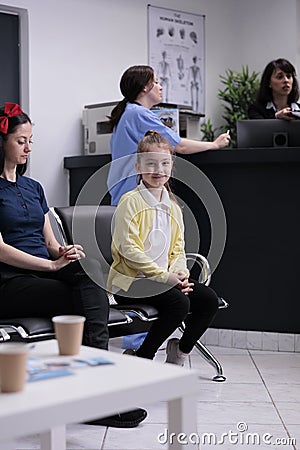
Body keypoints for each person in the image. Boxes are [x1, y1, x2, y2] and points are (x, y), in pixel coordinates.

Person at [0, 102, 146, 428]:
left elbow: (50, 244)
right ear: (2, 142)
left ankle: (93, 393)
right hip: (9, 282)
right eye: (21, 140)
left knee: (88, 266)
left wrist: (63, 252)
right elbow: (2, 251)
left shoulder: (33, 187)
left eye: (31, 140)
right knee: (82, 302)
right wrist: (51, 267)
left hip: (41, 274)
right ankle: (97, 395)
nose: (28, 147)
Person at [107, 130, 219, 364]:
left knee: (208, 299)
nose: (158, 170)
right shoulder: (130, 202)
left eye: (165, 163)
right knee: (179, 302)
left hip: (165, 280)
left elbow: (178, 249)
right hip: (131, 283)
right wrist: (164, 277)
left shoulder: (173, 207)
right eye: (151, 164)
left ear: (171, 166)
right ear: (138, 167)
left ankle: (180, 351)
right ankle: (143, 358)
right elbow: (129, 250)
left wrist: (180, 273)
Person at [107, 65, 231, 206]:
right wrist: (215, 144)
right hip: (134, 194)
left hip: (123, 193)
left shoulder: (128, 112)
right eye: (156, 82)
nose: (160, 87)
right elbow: (180, 146)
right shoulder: (138, 114)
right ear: (145, 87)